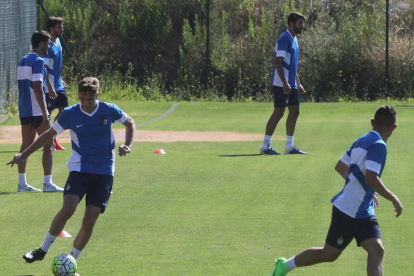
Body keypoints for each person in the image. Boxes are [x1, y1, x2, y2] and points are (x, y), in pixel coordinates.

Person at [7, 77, 135, 271]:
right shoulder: (70, 114)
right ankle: (42, 250)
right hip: (79, 168)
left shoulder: (109, 109)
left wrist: (128, 145)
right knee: (68, 208)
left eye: (89, 100)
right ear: (78, 96)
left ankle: (71, 261)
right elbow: (49, 135)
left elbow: (130, 123)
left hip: (104, 170)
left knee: (90, 220)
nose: (86, 103)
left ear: (97, 96)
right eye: (82, 99)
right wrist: (24, 154)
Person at [271, 105, 403, 276]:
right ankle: (284, 265)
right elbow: (371, 178)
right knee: (329, 254)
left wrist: (367, 191)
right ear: (394, 128)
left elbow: (341, 167)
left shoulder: (362, 139)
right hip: (348, 210)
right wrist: (393, 198)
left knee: (376, 249)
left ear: (372, 122)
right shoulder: (379, 145)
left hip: (364, 210)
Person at [16, 30, 63, 192]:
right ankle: (48, 183)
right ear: (41, 44)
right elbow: (36, 86)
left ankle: (22, 184)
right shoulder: (38, 61)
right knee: (49, 143)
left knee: (26, 145)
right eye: (48, 44)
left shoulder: (23, 60)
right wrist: (45, 113)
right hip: (36, 111)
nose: (49, 47)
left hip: (24, 110)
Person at [261, 12, 307, 155]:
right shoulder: (284, 38)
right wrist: (285, 82)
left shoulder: (294, 39)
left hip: (291, 83)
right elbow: (278, 62)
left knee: (295, 111)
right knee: (279, 111)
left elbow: (292, 65)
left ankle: (289, 146)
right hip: (282, 83)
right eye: (299, 23)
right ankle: (265, 146)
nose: (302, 26)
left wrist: (297, 83)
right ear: (291, 24)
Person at [44, 16, 67, 150]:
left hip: (58, 84)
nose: (62, 29)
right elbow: (45, 68)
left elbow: (55, 65)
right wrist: (50, 87)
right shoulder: (47, 46)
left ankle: (53, 136)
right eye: (59, 27)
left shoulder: (58, 41)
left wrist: (60, 78)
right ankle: (47, 139)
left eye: (62, 26)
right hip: (49, 87)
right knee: (47, 115)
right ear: (52, 29)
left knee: (64, 110)